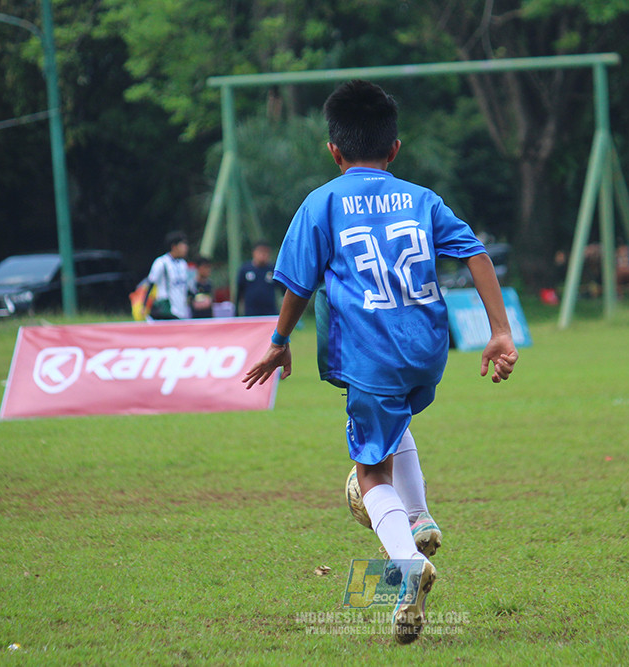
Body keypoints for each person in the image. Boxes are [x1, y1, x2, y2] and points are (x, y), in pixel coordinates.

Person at [242, 80, 518, 644]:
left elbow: (297, 282)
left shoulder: (322, 202)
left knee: (369, 473)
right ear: (395, 149)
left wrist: (279, 339)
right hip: (425, 347)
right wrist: (500, 331)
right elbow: (476, 253)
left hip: (369, 351)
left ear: (334, 151)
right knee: (396, 424)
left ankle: (407, 566)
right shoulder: (421, 198)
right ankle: (418, 518)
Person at [143, 230, 193, 320]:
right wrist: (144, 305)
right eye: (182, 245)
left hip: (181, 310)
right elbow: (150, 283)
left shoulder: (183, 264)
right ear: (174, 246)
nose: (186, 248)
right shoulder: (161, 262)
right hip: (167, 311)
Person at [236, 241, 279, 316]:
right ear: (254, 253)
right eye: (260, 252)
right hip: (251, 312)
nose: (263, 255)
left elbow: (283, 289)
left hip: (270, 311)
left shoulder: (273, 269)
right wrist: (236, 310)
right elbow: (239, 291)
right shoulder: (245, 269)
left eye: (265, 252)